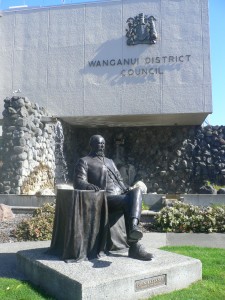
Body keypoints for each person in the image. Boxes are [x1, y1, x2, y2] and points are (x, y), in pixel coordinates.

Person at [73, 135, 154, 261]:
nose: (102, 146)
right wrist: (89, 186)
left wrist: (127, 188)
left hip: (120, 195)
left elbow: (120, 180)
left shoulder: (110, 161)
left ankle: (133, 228)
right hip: (104, 198)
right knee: (129, 202)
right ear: (92, 144)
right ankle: (134, 245)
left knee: (136, 191)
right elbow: (78, 181)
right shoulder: (85, 161)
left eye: (103, 144)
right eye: (99, 143)